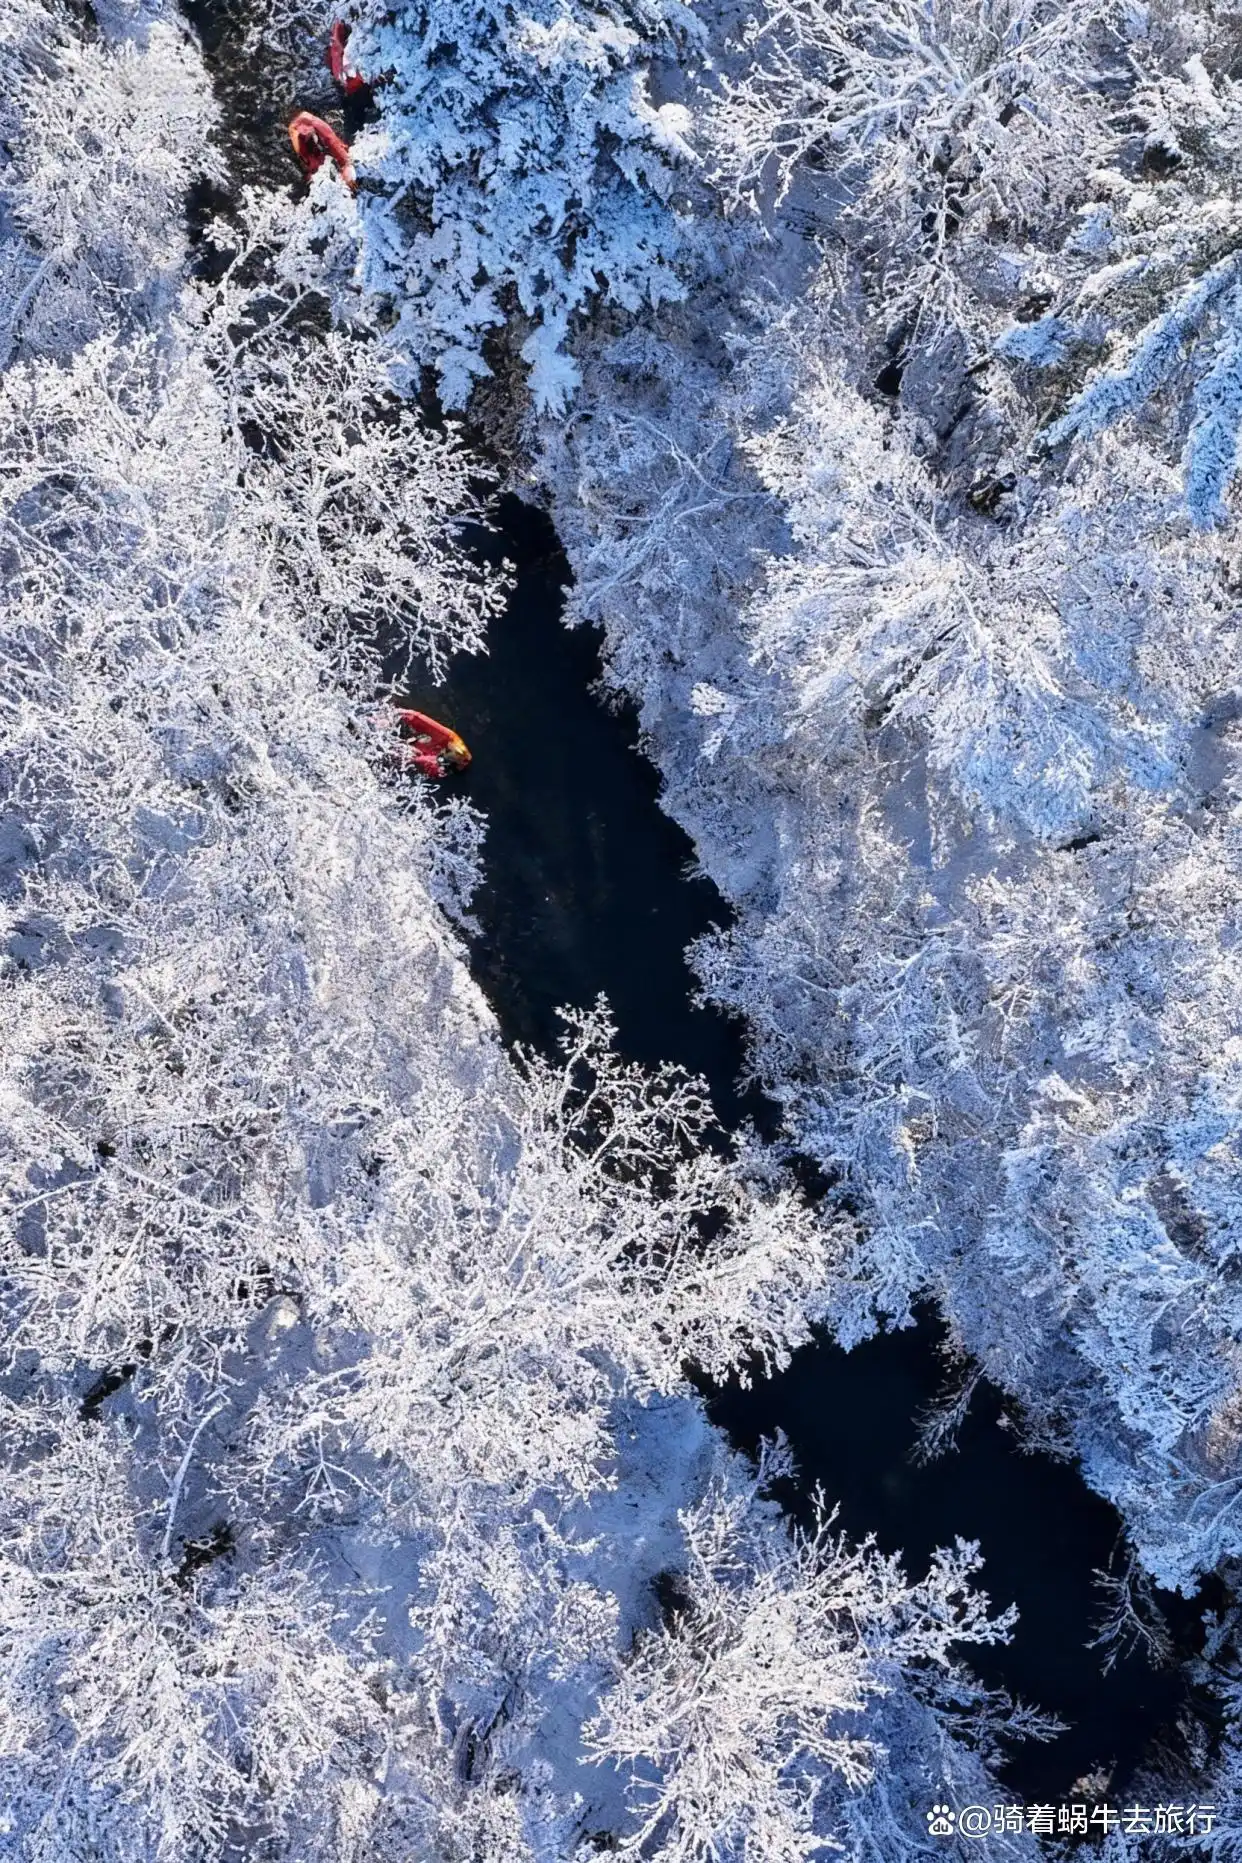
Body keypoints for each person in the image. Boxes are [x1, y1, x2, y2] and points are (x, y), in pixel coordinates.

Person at [287, 111, 357, 192]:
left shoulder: (308, 126)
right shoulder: (301, 134)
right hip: (304, 126)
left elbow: (331, 140)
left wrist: (346, 164)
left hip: (306, 124)